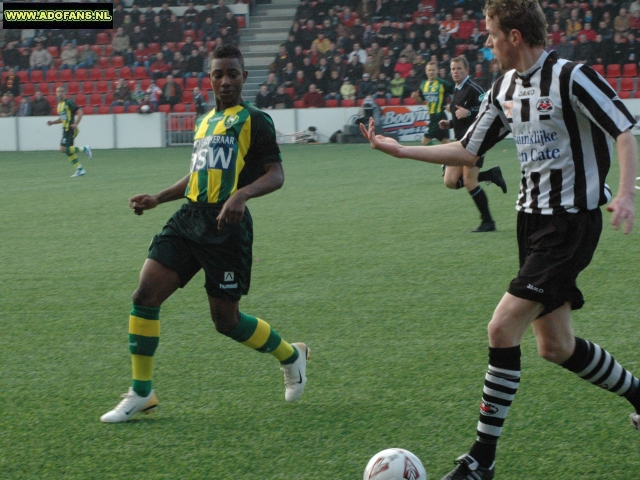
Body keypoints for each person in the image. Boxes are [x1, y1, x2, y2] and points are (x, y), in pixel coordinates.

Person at [360, 0, 639, 478]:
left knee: (501, 327)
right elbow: (469, 149)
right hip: (530, 224)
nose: (487, 44)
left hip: (569, 223)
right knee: (555, 346)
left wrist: (627, 194)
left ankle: (480, 461)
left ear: (513, 35)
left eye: (490, 34)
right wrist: (401, 151)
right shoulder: (504, 87)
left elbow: (626, 131)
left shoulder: (572, 75)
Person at [100, 44, 310, 424]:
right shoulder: (204, 121)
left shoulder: (254, 120)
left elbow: (275, 175)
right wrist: (158, 198)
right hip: (188, 219)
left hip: (226, 227)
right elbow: (199, 175)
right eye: (218, 74)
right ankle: (141, 392)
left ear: (244, 77)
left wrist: (241, 195)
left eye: (233, 73)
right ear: (210, 78)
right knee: (144, 295)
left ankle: (291, 356)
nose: (226, 81)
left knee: (225, 322)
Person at [437, 56, 507, 233]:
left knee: (469, 181)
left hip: (477, 142)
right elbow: (461, 118)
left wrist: (469, 112)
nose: (455, 72)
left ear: (467, 71)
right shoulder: (457, 90)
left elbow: (488, 109)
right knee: (450, 181)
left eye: (459, 68)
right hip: (461, 142)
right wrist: (450, 123)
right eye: (453, 69)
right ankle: (491, 175)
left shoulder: (474, 89)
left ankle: (488, 222)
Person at [46, 86, 92, 178]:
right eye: (57, 92)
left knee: (63, 149)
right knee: (68, 151)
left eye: (61, 91)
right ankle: (80, 170)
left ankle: (85, 148)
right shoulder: (59, 105)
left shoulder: (69, 103)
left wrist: (76, 123)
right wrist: (53, 122)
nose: (59, 93)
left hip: (70, 129)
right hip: (65, 129)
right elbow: (62, 119)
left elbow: (80, 112)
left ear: (65, 93)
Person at [413, 61, 454, 147]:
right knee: (446, 144)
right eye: (429, 70)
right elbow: (422, 100)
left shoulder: (443, 83)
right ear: (426, 71)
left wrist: (452, 105)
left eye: (433, 70)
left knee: (425, 141)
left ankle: (437, 156)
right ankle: (457, 158)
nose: (431, 72)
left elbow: (455, 91)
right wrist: (416, 97)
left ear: (437, 71)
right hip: (433, 117)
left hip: (439, 116)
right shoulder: (423, 85)